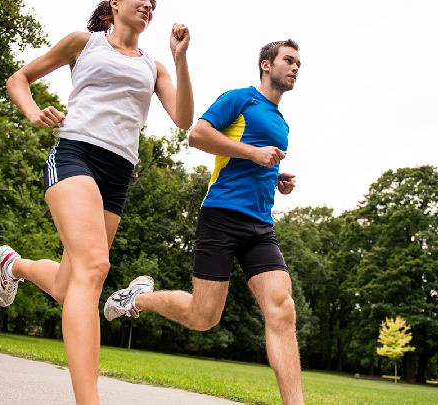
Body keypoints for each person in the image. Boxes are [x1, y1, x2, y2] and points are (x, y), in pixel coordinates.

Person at [0, 1, 193, 404]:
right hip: (75, 155)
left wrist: (180, 59)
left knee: (72, 287)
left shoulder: (154, 67)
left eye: (154, 3)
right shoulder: (84, 44)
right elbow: (19, 79)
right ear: (114, 3)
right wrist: (32, 113)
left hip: (118, 175)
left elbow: (184, 119)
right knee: (95, 268)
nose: (148, 5)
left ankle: (14, 265)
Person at [104, 39, 304, 405]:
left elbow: (252, 162)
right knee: (203, 316)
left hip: (261, 226)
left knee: (283, 308)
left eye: (298, 64)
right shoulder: (240, 98)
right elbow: (197, 135)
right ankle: (139, 298)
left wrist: (275, 176)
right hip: (222, 216)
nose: (295, 68)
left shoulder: (281, 122)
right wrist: (254, 153)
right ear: (265, 64)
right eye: (288, 60)